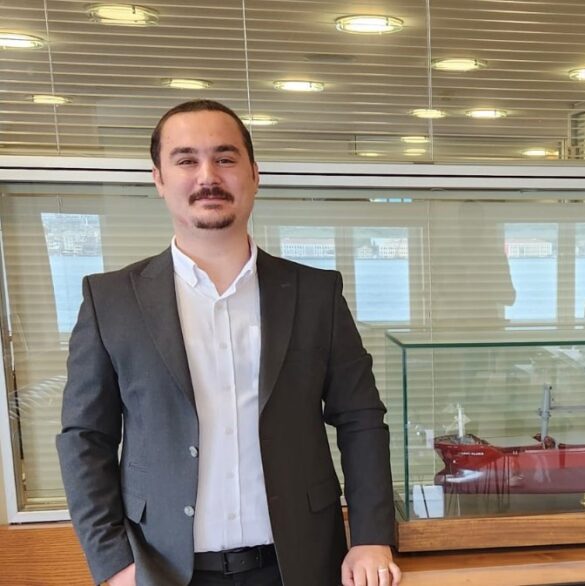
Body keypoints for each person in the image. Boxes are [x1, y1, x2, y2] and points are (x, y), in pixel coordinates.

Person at [56, 99, 401, 586]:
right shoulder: (110, 300)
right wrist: (112, 561)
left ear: (254, 174)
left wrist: (370, 536)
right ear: (158, 178)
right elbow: (84, 438)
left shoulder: (316, 294)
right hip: (162, 570)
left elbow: (360, 418)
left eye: (225, 157)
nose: (208, 176)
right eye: (186, 160)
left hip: (300, 565)